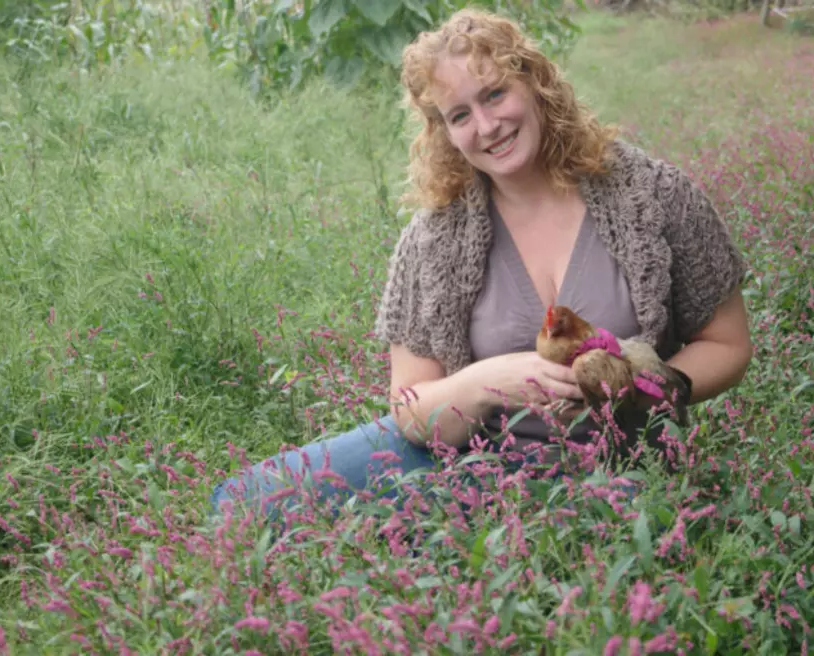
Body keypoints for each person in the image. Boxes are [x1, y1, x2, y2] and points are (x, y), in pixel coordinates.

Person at [209, 8, 753, 519]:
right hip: (470, 463)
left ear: (537, 85)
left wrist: (645, 387)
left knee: (590, 547)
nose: (487, 125)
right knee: (243, 500)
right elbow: (412, 408)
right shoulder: (432, 239)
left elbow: (729, 345)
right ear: (443, 132)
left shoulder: (654, 196)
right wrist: (487, 382)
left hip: (625, 465)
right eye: (460, 114)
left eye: (495, 94)